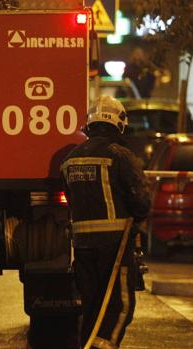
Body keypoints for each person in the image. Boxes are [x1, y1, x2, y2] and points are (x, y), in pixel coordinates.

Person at [60, 95, 151, 349]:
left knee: (92, 307)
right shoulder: (120, 155)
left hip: (82, 247)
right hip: (115, 246)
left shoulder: (69, 159)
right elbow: (141, 201)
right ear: (118, 123)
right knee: (119, 306)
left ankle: (87, 345)